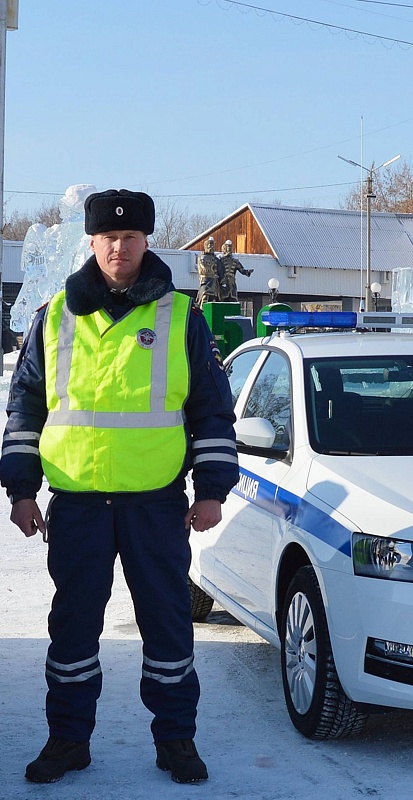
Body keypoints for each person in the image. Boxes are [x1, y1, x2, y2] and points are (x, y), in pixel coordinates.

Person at [0, 189, 240, 784]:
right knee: (73, 630)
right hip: (76, 503)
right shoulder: (53, 316)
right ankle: (67, 741)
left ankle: (176, 741)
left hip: (154, 504)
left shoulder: (179, 316)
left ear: (147, 240)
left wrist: (211, 488)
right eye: (108, 236)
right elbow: (26, 409)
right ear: (91, 240)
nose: (119, 246)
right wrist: (21, 488)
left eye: (131, 237)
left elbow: (211, 410)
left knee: (167, 627)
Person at [195, 235, 222, 307]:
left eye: (212, 245)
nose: (211, 247)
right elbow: (203, 269)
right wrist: (212, 273)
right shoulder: (202, 257)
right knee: (204, 296)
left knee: (214, 299)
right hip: (206, 281)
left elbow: (220, 270)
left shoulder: (216, 259)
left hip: (214, 283)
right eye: (209, 245)